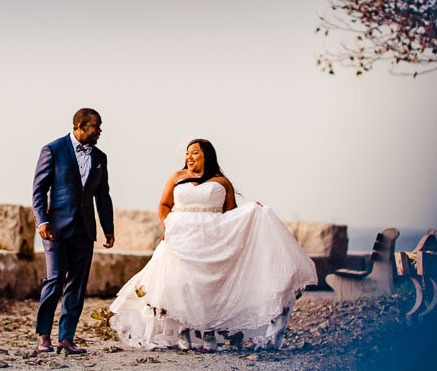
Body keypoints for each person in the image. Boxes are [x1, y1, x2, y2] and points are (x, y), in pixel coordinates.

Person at [108, 138, 316, 351]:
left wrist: (254, 210)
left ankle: (208, 331)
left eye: (195, 153)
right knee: (181, 284)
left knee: (207, 286)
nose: (189, 156)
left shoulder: (222, 182)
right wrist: (168, 226)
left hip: (211, 239)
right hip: (180, 237)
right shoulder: (177, 178)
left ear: (207, 155)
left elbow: (232, 214)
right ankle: (183, 330)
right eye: (188, 153)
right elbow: (164, 205)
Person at [32, 108, 115, 355]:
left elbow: (103, 195)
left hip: (85, 230)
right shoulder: (53, 150)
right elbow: (39, 189)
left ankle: (66, 339)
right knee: (55, 280)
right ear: (80, 125)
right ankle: (43, 335)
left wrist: (108, 228)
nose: (100, 130)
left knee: (76, 286)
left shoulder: (100, 157)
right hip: (55, 229)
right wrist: (41, 221)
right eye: (96, 126)